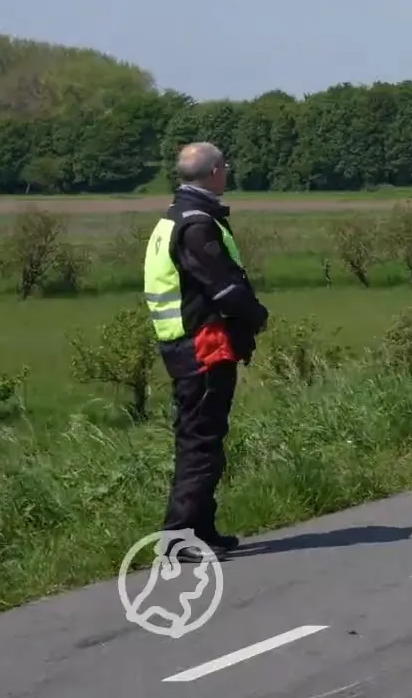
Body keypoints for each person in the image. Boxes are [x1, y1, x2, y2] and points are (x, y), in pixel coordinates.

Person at [144, 142, 270, 556]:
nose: (228, 171)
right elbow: (226, 288)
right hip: (201, 344)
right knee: (200, 443)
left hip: (187, 343)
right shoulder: (197, 225)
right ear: (215, 172)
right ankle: (179, 538)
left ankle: (200, 530)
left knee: (204, 439)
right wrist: (256, 316)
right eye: (225, 166)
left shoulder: (174, 218)